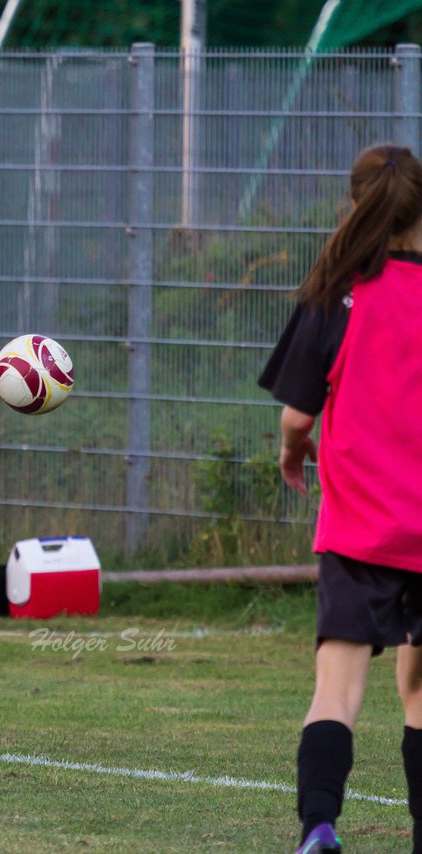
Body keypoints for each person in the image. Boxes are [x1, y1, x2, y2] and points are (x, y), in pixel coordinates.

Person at [258, 143, 422, 854]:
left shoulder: (339, 292)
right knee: (420, 696)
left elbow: (297, 416)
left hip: (361, 530)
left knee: (338, 692)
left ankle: (320, 825)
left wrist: (293, 455)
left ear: (356, 206)